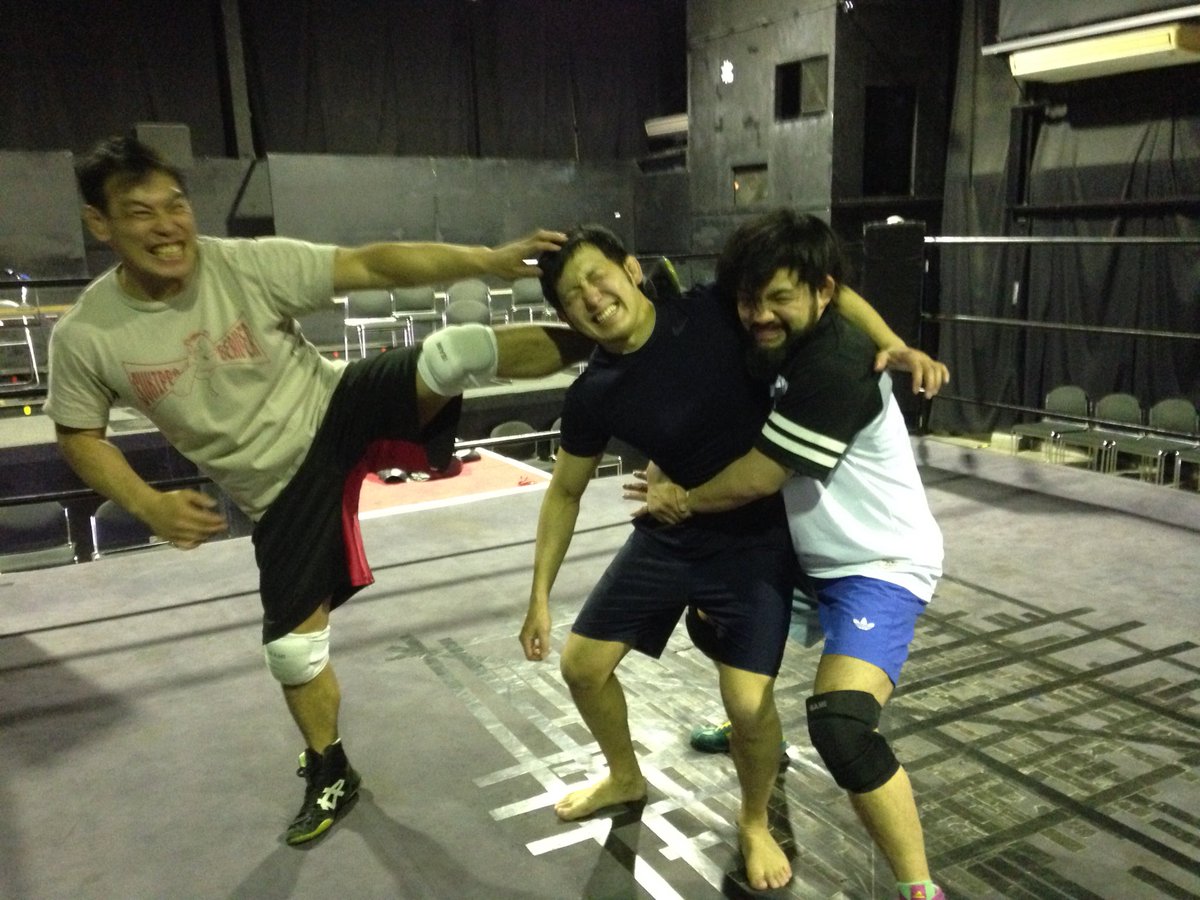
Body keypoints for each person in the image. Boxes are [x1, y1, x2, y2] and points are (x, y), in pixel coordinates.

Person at [44, 135, 590, 846]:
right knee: (293, 655)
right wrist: (148, 504)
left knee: (454, 352)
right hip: (276, 488)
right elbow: (78, 435)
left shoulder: (243, 265)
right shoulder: (87, 335)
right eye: (139, 212)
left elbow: (371, 264)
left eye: (175, 205)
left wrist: (484, 261)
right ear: (100, 223)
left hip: (335, 408)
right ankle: (331, 770)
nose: (166, 226)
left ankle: (617, 339)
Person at [518, 225, 945, 892]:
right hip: (675, 531)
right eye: (573, 296)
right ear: (565, 314)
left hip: (756, 536)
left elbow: (819, 293)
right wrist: (539, 595)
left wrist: (893, 342)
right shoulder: (594, 392)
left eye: (598, 277)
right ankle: (625, 775)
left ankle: (754, 821)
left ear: (631, 269)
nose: (592, 298)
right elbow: (565, 491)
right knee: (582, 666)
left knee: (751, 706)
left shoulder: (717, 310)